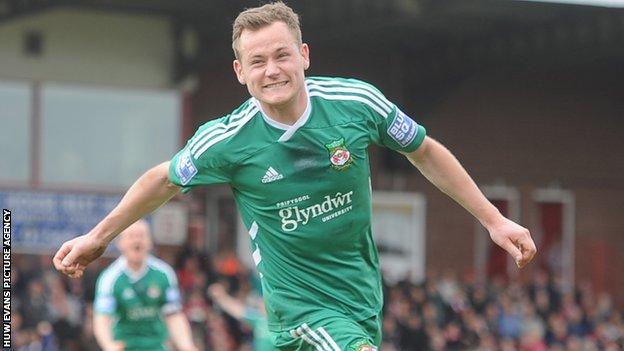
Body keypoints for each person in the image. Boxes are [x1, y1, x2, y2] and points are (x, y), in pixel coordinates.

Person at [53, 2, 537, 350]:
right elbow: (161, 180)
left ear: (304, 54)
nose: (272, 70)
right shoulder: (225, 140)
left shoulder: (356, 104)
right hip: (299, 308)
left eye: (282, 55)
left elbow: (425, 152)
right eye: (258, 61)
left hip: (362, 296)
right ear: (240, 71)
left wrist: (494, 220)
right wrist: (99, 236)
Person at [92, 219, 198, 351]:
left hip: (156, 346)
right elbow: (102, 318)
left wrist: (187, 346)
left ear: (150, 242)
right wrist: (108, 345)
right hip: (124, 346)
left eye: (141, 236)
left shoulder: (164, 274)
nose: (137, 241)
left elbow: (173, 314)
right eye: (131, 236)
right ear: (120, 243)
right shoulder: (110, 278)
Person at [208, 282, 276, 351]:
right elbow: (238, 310)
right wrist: (221, 297)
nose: (260, 304)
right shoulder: (259, 320)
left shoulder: (281, 323)